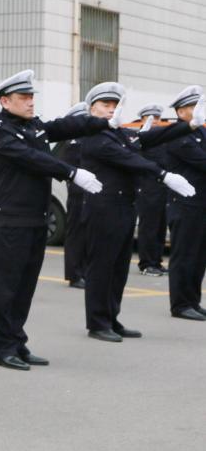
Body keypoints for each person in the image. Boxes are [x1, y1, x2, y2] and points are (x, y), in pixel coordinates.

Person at [0, 71, 107, 370]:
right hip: (10, 219)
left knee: (25, 287)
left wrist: (100, 122)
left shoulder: (33, 126)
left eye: (31, 97)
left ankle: (17, 340)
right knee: (6, 287)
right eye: (23, 97)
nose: (30, 102)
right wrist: (71, 172)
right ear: (5, 101)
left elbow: (63, 126)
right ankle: (2, 347)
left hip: (36, 217)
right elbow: (31, 158)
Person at [79, 83, 195, 341]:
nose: (111, 109)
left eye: (114, 105)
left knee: (119, 268)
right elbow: (131, 159)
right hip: (103, 210)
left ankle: (112, 318)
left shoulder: (118, 134)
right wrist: (163, 175)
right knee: (102, 268)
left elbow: (152, 138)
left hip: (124, 207)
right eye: (105, 105)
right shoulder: (95, 138)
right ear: (91, 109)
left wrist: (190, 125)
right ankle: (98, 323)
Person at [162, 86, 206, 321]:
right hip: (185, 204)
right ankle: (180, 304)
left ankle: (192, 301)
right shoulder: (177, 135)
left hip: (200, 204)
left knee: (198, 256)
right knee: (184, 255)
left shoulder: (200, 132)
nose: (200, 110)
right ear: (181, 112)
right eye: (194, 107)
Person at [54, 102, 90, 289]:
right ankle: (74, 275)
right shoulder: (72, 142)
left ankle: (85, 271)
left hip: (91, 192)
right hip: (78, 193)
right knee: (76, 234)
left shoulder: (89, 138)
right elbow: (63, 166)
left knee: (88, 235)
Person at [134, 104, 172, 277]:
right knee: (149, 227)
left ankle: (156, 261)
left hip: (163, 189)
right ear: (142, 119)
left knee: (160, 227)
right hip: (147, 188)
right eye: (150, 117)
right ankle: (146, 264)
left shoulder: (163, 139)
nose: (154, 121)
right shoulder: (138, 138)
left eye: (157, 118)